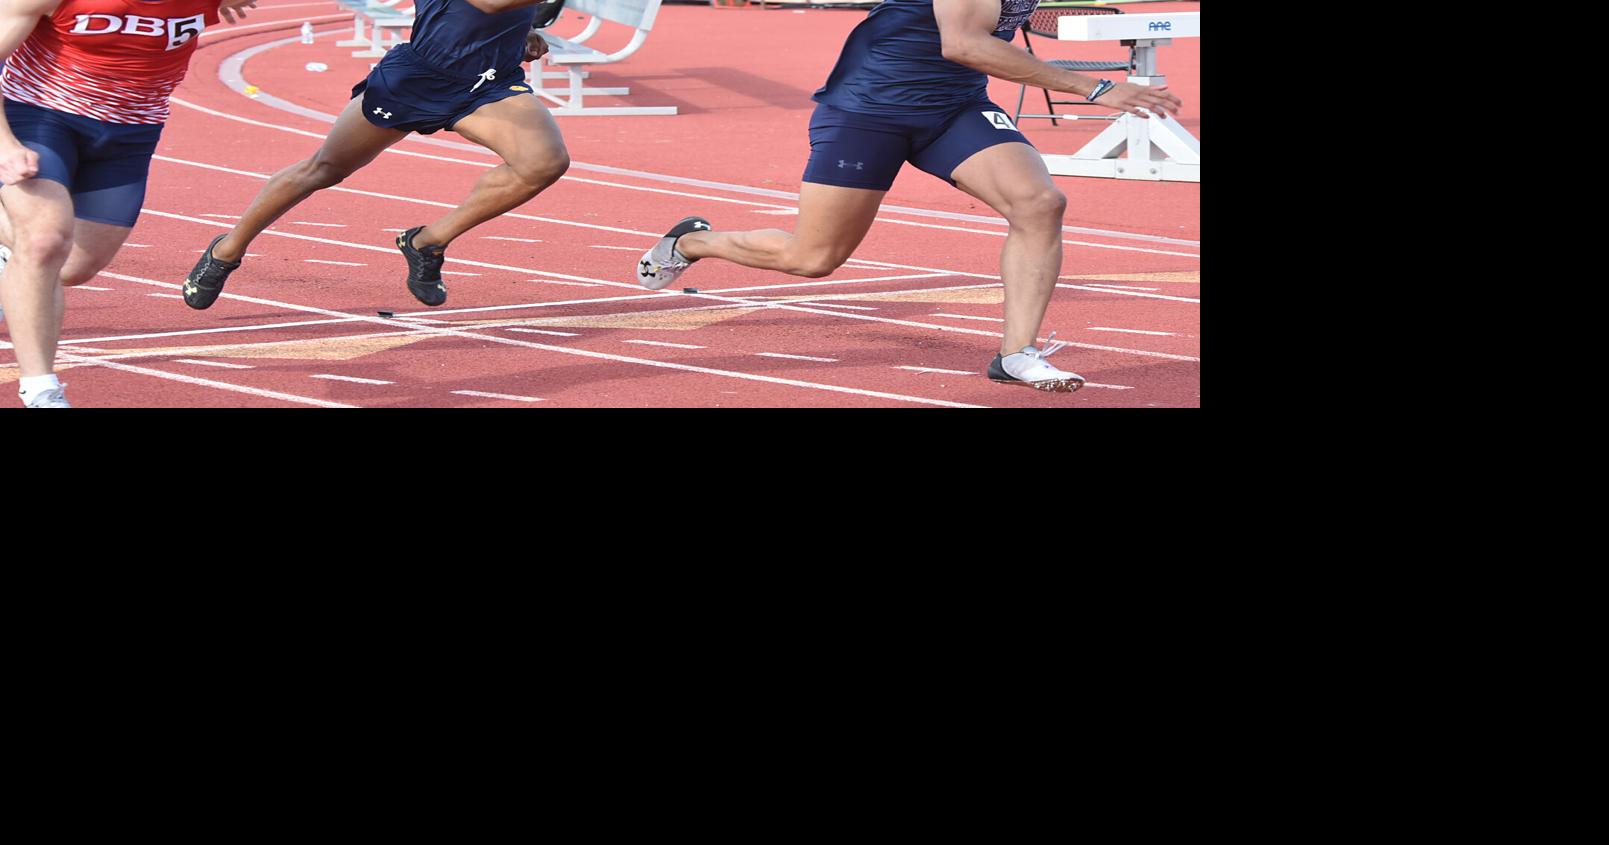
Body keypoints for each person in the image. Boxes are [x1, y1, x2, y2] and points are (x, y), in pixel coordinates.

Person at [636, 0, 1182, 393]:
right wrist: (1099, 87)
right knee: (812, 258)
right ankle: (694, 244)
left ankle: (1017, 354)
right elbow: (964, 42)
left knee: (1039, 203)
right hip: (868, 109)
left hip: (954, 107)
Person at [182, 0, 568, 313]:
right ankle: (227, 249)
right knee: (324, 169)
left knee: (543, 162)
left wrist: (522, 31)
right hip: (417, 80)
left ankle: (426, 242)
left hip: (488, 83)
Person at [0, 0, 257, 408]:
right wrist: (4, 144)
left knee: (72, 267)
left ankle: (12, 255)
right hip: (38, 115)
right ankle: (41, 390)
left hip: (131, 132)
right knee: (44, 240)